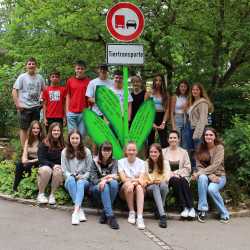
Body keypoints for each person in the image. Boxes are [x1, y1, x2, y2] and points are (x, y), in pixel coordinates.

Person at [192, 128, 230, 223]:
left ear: (215, 136)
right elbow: (198, 166)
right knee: (202, 178)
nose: (208, 137)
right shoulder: (200, 148)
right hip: (208, 176)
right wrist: (209, 175)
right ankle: (203, 210)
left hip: (219, 176)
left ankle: (224, 213)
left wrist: (204, 173)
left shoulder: (219, 147)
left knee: (212, 189)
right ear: (203, 137)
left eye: (211, 135)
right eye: (206, 135)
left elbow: (216, 165)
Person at [12, 57, 45, 147]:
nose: (31, 65)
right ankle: (24, 149)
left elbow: (44, 90)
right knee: (24, 129)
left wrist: (42, 100)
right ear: (26, 66)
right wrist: (17, 104)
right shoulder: (22, 77)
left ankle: (33, 147)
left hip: (36, 107)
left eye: (33, 64)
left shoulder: (40, 77)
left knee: (35, 129)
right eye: (29, 64)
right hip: (25, 108)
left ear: (36, 66)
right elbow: (14, 90)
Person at [61, 129, 92, 225]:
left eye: (77, 138)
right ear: (69, 139)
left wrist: (82, 177)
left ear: (80, 139)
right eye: (72, 138)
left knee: (80, 182)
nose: (75, 140)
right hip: (70, 181)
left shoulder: (87, 151)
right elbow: (64, 170)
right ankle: (79, 209)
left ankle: (75, 213)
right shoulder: (64, 152)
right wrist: (72, 176)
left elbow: (89, 170)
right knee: (70, 179)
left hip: (83, 181)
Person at [163, 130, 195, 219]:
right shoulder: (163, 152)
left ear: (179, 140)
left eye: (175, 138)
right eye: (171, 138)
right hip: (168, 178)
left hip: (181, 176)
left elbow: (188, 168)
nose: (173, 139)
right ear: (168, 140)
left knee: (183, 181)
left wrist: (177, 173)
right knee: (176, 180)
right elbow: (161, 168)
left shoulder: (184, 152)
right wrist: (171, 174)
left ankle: (191, 208)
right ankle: (184, 207)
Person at [90, 142, 120, 230]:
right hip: (95, 188)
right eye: (104, 150)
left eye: (109, 150)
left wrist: (105, 180)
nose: (106, 152)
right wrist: (104, 180)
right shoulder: (94, 161)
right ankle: (110, 217)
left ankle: (105, 212)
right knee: (105, 186)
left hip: (107, 186)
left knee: (114, 183)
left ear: (111, 151)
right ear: (100, 151)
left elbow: (115, 176)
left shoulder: (114, 161)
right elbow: (94, 180)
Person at [184, 83, 213, 170]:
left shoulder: (203, 102)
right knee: (191, 150)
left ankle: (199, 170)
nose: (195, 91)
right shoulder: (192, 102)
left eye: (197, 89)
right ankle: (193, 169)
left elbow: (203, 119)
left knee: (198, 150)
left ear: (200, 91)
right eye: (193, 89)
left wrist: (198, 133)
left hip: (198, 128)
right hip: (190, 128)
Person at [118, 141, 146, 230]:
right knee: (127, 185)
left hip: (138, 189)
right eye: (129, 150)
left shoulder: (142, 163)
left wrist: (133, 183)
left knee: (138, 187)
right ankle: (132, 212)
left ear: (137, 151)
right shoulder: (121, 162)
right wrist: (134, 180)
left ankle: (140, 217)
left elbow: (141, 180)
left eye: (133, 150)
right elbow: (123, 179)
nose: (131, 152)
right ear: (126, 151)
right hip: (125, 191)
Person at [13, 120, 45, 192]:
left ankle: (32, 188)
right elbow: (24, 153)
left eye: (37, 128)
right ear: (31, 129)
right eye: (34, 128)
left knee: (28, 166)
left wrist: (29, 161)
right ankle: (15, 187)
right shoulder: (28, 140)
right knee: (19, 164)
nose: (36, 130)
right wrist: (24, 160)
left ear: (40, 130)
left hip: (39, 161)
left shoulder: (43, 141)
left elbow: (42, 157)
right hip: (29, 160)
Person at [37, 122, 64, 205]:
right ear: (50, 131)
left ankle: (52, 195)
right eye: (54, 130)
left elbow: (65, 158)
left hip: (57, 168)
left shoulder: (63, 144)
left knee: (58, 170)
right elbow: (41, 159)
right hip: (45, 167)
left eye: (58, 130)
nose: (56, 132)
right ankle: (41, 194)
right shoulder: (44, 143)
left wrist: (59, 166)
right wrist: (53, 165)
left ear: (60, 132)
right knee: (47, 170)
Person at [144, 143, 170, 228]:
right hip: (150, 188)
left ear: (159, 153)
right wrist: (153, 181)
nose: (153, 154)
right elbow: (146, 178)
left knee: (164, 185)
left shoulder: (165, 163)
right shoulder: (146, 163)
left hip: (161, 187)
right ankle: (163, 216)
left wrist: (160, 181)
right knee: (155, 186)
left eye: (155, 152)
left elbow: (167, 177)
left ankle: (158, 209)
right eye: (151, 152)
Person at [66, 60, 90, 136]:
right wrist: (67, 110)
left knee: (81, 135)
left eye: (82, 69)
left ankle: (80, 148)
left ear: (85, 70)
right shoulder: (70, 81)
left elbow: (89, 97)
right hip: (71, 112)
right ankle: (71, 148)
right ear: (75, 69)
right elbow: (68, 95)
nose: (80, 70)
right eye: (78, 68)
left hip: (83, 112)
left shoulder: (88, 82)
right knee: (72, 136)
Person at [145, 74, 170, 149]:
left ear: (162, 82)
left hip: (162, 117)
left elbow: (167, 110)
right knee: (150, 141)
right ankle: (149, 159)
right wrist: (151, 123)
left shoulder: (166, 94)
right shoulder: (149, 93)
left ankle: (164, 159)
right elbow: (145, 110)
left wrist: (163, 123)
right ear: (154, 82)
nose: (158, 82)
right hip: (151, 117)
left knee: (164, 142)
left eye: (160, 80)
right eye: (156, 80)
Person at [171, 80, 189, 146]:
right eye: (181, 86)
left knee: (185, 142)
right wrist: (173, 126)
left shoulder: (188, 97)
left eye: (185, 86)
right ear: (178, 87)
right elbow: (172, 112)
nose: (183, 88)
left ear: (187, 88)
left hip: (186, 119)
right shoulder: (175, 97)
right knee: (177, 141)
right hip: (177, 119)